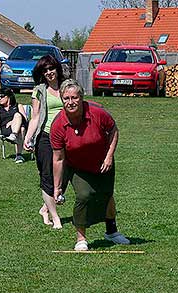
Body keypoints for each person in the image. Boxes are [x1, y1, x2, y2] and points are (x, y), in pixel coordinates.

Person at [51, 79, 130, 251]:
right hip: (77, 166)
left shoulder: (97, 113)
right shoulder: (58, 125)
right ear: (62, 100)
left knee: (107, 195)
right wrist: (57, 187)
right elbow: (58, 158)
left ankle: (112, 232)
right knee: (84, 195)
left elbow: (113, 130)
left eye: (74, 97)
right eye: (66, 98)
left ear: (81, 98)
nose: (70, 102)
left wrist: (109, 156)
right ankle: (81, 238)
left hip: (102, 161)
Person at [23, 55, 66, 229]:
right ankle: (55, 217)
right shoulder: (39, 90)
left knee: (66, 175)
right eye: (45, 70)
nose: (49, 72)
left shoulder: (67, 86)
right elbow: (35, 117)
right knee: (47, 176)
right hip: (46, 137)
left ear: (57, 68)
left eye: (51, 68)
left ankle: (45, 207)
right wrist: (28, 137)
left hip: (67, 136)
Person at [0, 88, 28, 164]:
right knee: (21, 129)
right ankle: (19, 155)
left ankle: (14, 138)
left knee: (19, 120)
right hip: (6, 129)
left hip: (19, 127)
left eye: (1, 96)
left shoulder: (18, 106)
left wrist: (12, 122)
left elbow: (25, 119)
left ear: (8, 96)